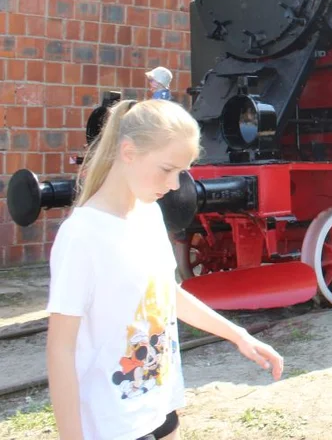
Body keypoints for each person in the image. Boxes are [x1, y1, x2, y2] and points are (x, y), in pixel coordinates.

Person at [45, 99, 283, 440]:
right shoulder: (82, 234)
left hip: (159, 407)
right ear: (128, 152)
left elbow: (167, 294)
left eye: (181, 173)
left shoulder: (149, 214)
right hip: (114, 423)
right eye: (167, 169)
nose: (174, 185)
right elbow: (60, 349)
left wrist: (238, 335)